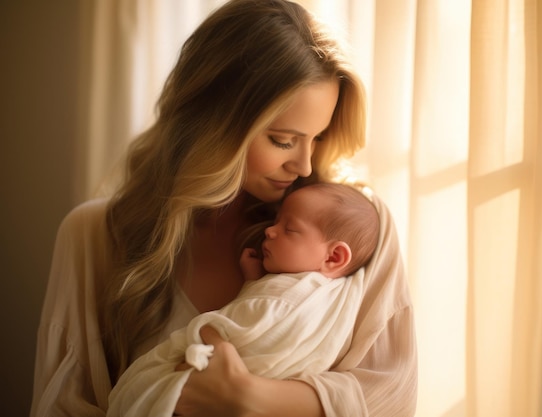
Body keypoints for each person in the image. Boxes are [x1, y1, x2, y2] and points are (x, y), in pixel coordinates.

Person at [30, 0, 418, 416]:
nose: (304, 165)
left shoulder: (357, 231)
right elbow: (62, 406)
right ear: (213, 125)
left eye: (317, 137)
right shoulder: (94, 235)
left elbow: (391, 396)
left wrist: (248, 398)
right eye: (284, 140)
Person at [106, 182, 380, 416]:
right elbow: (263, 317)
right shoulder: (330, 290)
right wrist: (252, 284)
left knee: (152, 379)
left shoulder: (303, 296)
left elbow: (247, 326)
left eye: (289, 229)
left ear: (334, 257)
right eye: (276, 222)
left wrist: (206, 330)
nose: (270, 231)